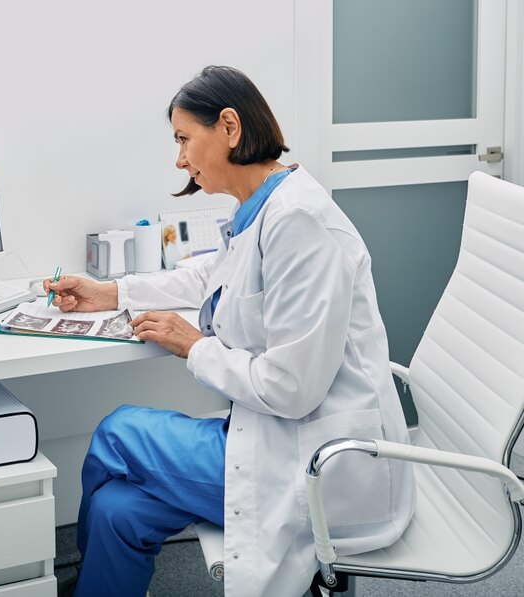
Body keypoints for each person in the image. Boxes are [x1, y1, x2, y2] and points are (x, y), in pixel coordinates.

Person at [46, 66, 415, 597]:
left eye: (183, 139)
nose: (180, 160)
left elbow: (291, 388)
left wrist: (195, 347)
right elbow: (208, 276)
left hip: (321, 460)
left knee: (117, 431)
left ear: (228, 126)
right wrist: (113, 293)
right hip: (269, 433)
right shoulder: (260, 207)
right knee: (115, 510)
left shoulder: (301, 222)